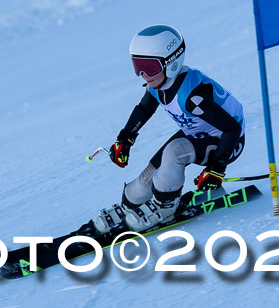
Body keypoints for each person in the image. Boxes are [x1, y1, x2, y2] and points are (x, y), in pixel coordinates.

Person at [92, 25, 245, 234]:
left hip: (227, 142)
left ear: (171, 62)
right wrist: (125, 139)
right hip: (196, 132)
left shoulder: (191, 98)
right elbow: (144, 108)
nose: (144, 74)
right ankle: (130, 206)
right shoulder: (159, 84)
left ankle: (166, 207)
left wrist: (217, 169)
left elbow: (232, 128)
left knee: (174, 151)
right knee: (147, 176)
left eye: (150, 67)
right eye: (138, 66)